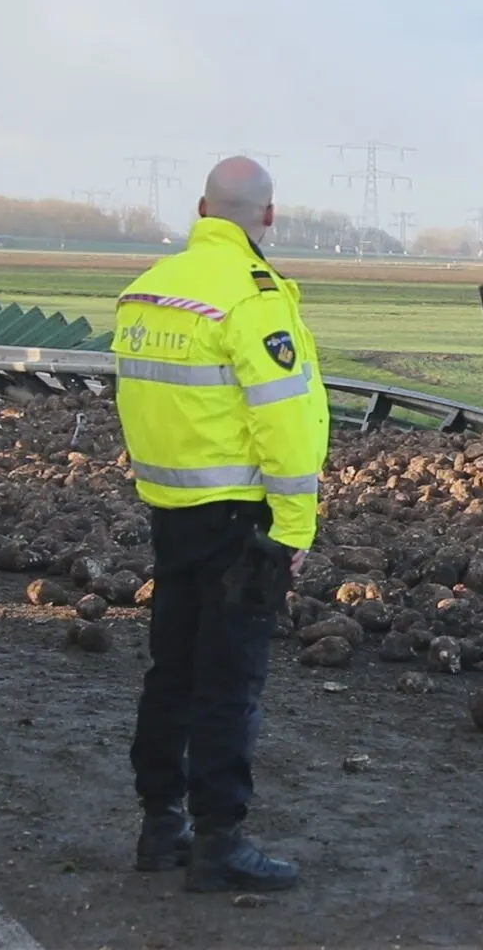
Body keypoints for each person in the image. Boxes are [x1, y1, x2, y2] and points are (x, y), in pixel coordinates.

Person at [113, 156, 329, 893]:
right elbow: (288, 424)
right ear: (268, 216)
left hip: (170, 512)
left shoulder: (146, 292)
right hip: (242, 521)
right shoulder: (253, 299)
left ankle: (158, 827)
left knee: (170, 671)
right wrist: (295, 527)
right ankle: (220, 842)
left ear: (201, 209)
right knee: (229, 681)